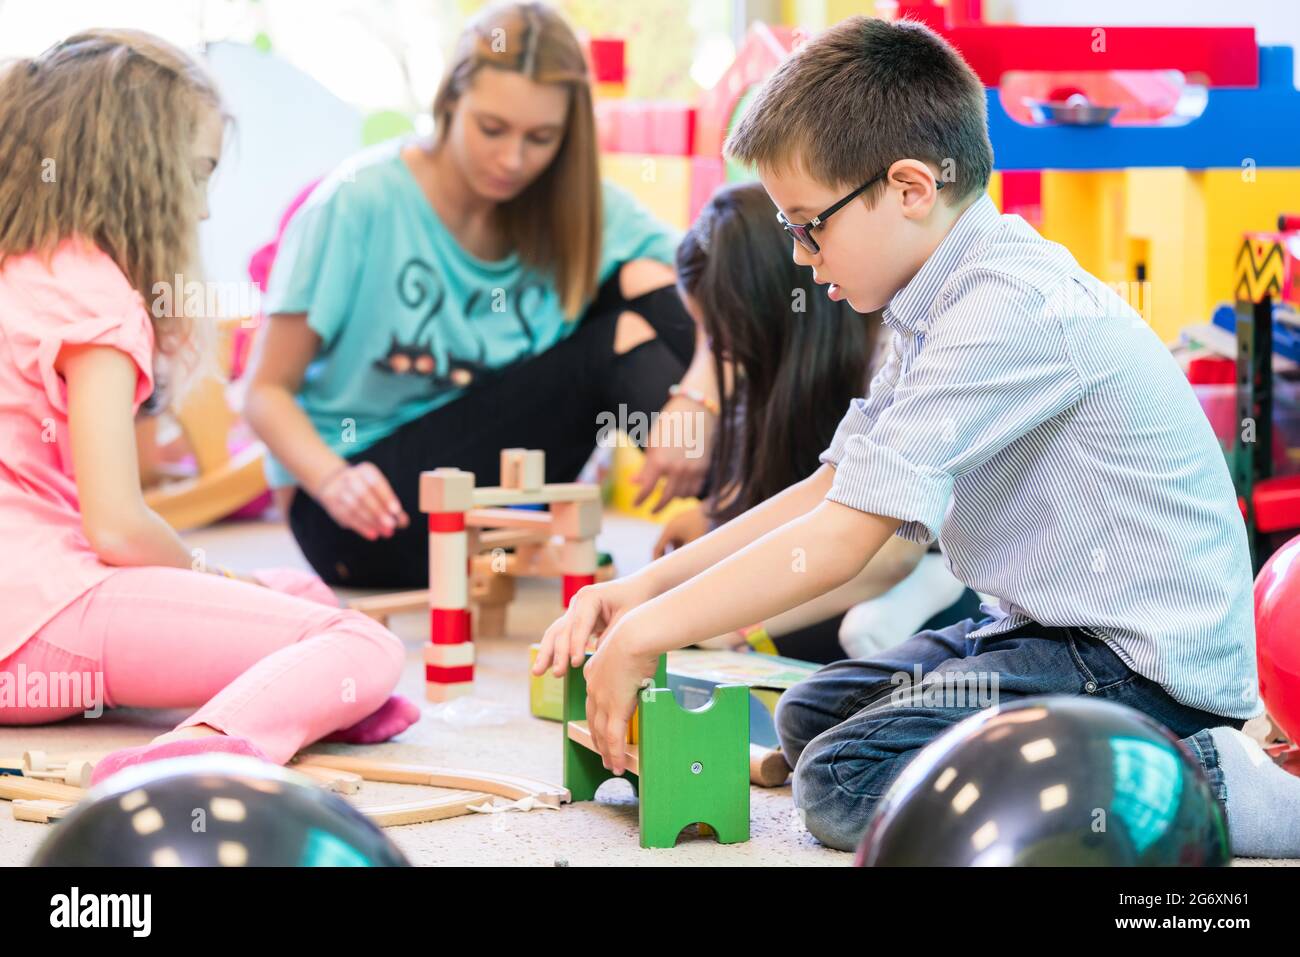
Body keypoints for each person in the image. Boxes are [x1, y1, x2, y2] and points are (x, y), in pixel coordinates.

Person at [534, 16, 1299, 857]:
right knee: (808, 713)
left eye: (807, 225)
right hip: (1045, 634)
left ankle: (1206, 777)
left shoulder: (1006, 304)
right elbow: (834, 486)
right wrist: (642, 595)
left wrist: (648, 636)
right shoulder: (931, 299)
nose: (799, 254)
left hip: (1136, 669)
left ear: (908, 188)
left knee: (840, 781)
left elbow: (842, 541)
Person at [0, 29, 415, 784]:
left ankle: (312, 696)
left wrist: (220, 582)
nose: (199, 212)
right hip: (39, 625)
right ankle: (204, 747)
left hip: (27, 611)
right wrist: (209, 580)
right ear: (140, 171)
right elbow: (119, 524)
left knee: (289, 589)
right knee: (365, 645)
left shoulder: (20, 268)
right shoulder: (93, 293)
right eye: (196, 176)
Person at [245, 1, 715, 587]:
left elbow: (720, 287)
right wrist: (333, 479)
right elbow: (263, 391)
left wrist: (700, 397)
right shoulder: (358, 201)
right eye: (492, 129)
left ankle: (757, 526)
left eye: (541, 138)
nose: (513, 159)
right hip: (360, 513)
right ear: (448, 102)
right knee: (616, 338)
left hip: (501, 499)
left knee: (647, 283)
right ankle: (745, 535)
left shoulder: (578, 208)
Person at [658, 181, 977, 662]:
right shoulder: (791, 366)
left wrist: (730, 624)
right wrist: (703, 535)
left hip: (935, 586)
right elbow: (816, 487)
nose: (720, 352)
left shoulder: (905, 348)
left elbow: (890, 554)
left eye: (725, 335)